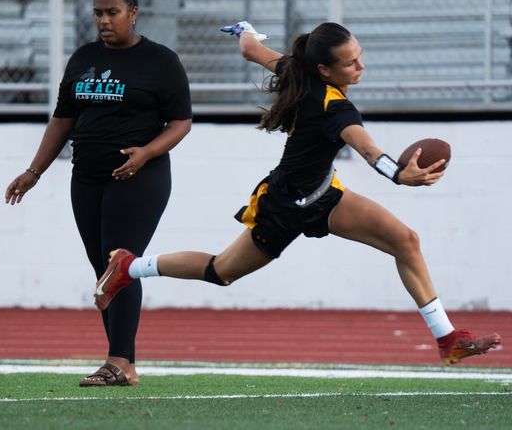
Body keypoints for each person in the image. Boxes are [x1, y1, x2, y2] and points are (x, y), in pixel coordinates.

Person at [94, 21, 501, 366]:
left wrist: (246, 32)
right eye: (351, 62)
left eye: (360, 55)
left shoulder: (299, 70)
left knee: (406, 240)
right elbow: (366, 148)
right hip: (284, 206)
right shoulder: (334, 107)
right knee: (220, 272)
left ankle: (448, 341)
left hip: (324, 196)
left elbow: (253, 50)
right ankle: (130, 267)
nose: (361, 65)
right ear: (325, 69)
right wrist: (398, 175)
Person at [4, 0, 192, 386]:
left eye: (113, 13)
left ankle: (117, 360)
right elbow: (63, 119)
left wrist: (147, 153)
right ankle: (126, 366)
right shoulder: (83, 58)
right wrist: (33, 170)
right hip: (86, 176)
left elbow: (181, 123)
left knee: (119, 265)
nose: (104, 21)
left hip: (136, 176)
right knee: (102, 269)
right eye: (98, 13)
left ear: (134, 12)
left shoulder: (160, 61)